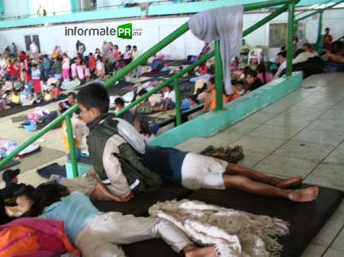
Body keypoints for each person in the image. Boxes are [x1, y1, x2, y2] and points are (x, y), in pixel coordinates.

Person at [74, 83, 318, 202]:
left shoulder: (98, 136)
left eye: (81, 111)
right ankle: (276, 182)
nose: (79, 116)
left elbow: (112, 170)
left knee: (233, 180)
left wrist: (121, 194)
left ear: (93, 112)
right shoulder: (118, 120)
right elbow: (137, 146)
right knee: (230, 168)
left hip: (175, 169)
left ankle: (287, 195)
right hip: (168, 155)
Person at [27, 183, 217, 257]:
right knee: (158, 224)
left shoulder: (44, 217)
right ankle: (189, 250)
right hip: (104, 222)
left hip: (84, 241)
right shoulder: (76, 195)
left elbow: (30, 225)